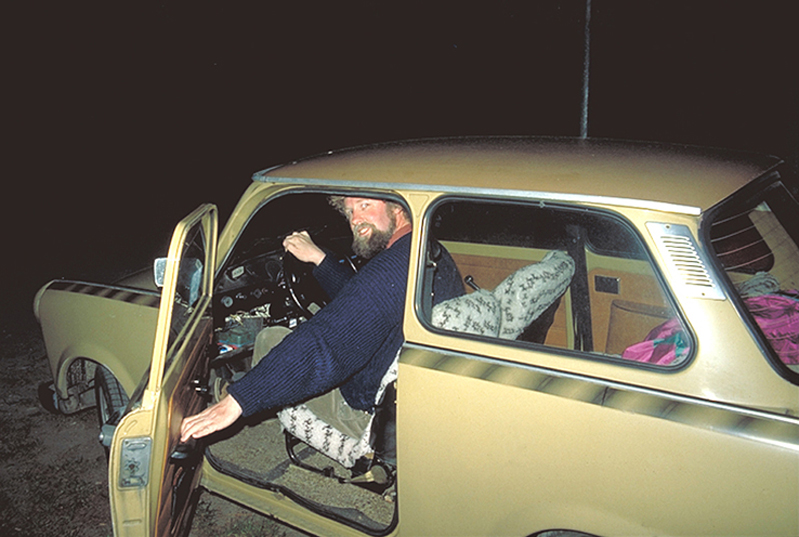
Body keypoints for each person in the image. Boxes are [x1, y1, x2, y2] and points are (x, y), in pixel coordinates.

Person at [180, 195, 464, 449]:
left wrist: (240, 399)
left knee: (271, 338)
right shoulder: (424, 252)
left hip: (368, 409)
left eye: (365, 205)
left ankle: (237, 398)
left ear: (398, 207)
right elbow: (366, 302)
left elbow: (326, 344)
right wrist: (319, 258)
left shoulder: (393, 266)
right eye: (349, 212)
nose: (355, 219)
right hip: (409, 395)